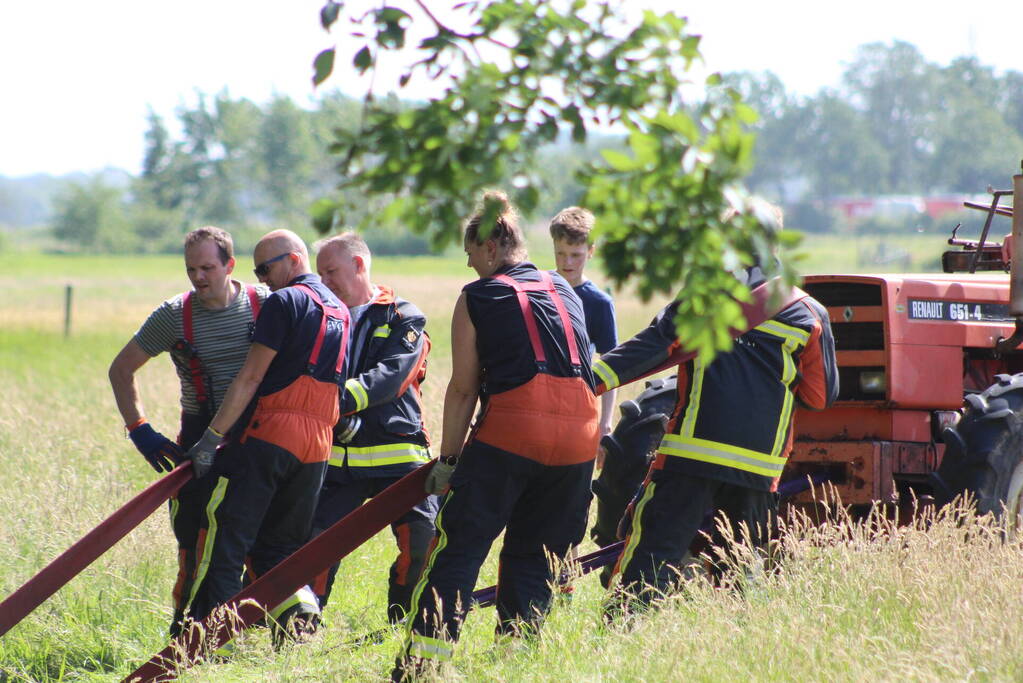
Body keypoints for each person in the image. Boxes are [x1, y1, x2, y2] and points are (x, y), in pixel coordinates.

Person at [394, 191, 600, 678]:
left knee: (459, 549)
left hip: (514, 429)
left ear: (489, 248)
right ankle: (514, 664)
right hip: (580, 442)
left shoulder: (478, 296)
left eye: (471, 257)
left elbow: (464, 388)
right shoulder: (565, 289)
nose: (471, 268)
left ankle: (423, 666)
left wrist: (447, 463)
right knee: (534, 558)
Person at [594, 260, 839, 616]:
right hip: (758, 465)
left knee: (652, 556)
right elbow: (821, 397)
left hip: (692, 455)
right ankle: (739, 647)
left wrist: (584, 380)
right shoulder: (809, 312)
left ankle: (617, 636)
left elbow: (652, 347)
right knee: (740, 568)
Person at [183, 229, 349, 639]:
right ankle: (300, 631)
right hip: (318, 447)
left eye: (265, 268)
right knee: (282, 552)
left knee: (226, 541)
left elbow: (251, 376)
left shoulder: (284, 301)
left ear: (293, 260)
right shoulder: (341, 310)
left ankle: (206, 641)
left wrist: (211, 436)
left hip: (272, 433)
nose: (261, 279)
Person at [108, 226, 268, 637]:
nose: (199, 277)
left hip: (258, 435)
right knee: (194, 539)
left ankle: (245, 629)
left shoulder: (265, 304)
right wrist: (140, 431)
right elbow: (121, 370)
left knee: (256, 538)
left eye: (208, 268)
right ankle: (185, 633)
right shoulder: (173, 315)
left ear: (230, 265)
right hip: (199, 438)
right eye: (191, 269)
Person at [308, 232, 437, 623]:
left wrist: (335, 405)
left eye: (331, 271)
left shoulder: (405, 315)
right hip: (335, 461)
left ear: (359, 265)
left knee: (423, 543)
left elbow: (391, 376)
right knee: (311, 552)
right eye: (320, 274)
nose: (324, 281)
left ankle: (402, 627)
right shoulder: (320, 316)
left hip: (399, 459)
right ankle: (298, 632)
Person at [549, 207, 618, 460]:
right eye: (560, 254)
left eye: (576, 255)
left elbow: (611, 366)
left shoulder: (599, 302)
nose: (567, 263)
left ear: (591, 252)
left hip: (577, 405)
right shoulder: (538, 289)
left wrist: (605, 424)